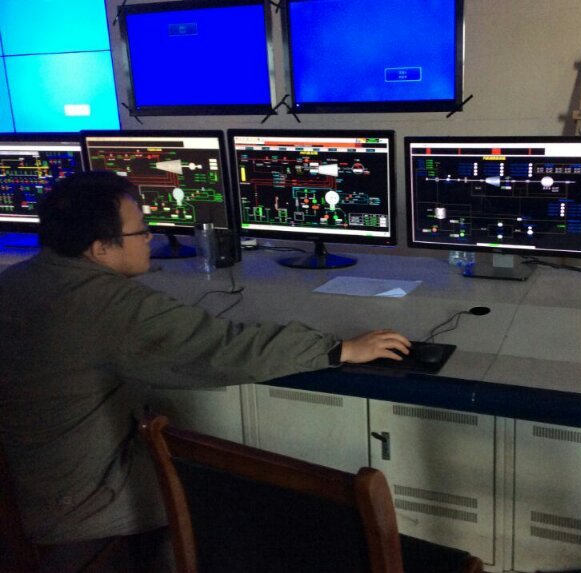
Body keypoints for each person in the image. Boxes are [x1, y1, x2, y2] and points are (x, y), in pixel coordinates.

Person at [0, 171, 410, 556]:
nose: (150, 237)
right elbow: (227, 348)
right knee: (252, 484)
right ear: (100, 248)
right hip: (80, 503)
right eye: (141, 230)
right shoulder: (110, 306)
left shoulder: (16, 281)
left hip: (26, 489)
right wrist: (340, 349)